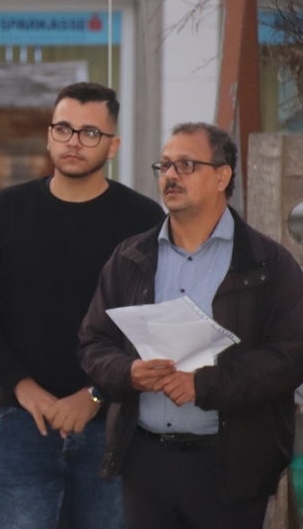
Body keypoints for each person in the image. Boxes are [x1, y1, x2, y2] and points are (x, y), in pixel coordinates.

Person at [0, 82, 164, 529]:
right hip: (21, 424)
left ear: (112, 146)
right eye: (64, 128)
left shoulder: (144, 221)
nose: (74, 141)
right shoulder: (6, 210)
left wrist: (96, 394)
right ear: (49, 135)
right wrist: (23, 387)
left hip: (112, 425)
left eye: (90, 133)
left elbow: (154, 325)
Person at [78, 123, 303, 529]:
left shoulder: (269, 264)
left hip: (231, 466)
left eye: (186, 165)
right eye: (164, 165)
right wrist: (128, 372)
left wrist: (204, 385)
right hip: (144, 462)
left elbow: (290, 356)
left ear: (222, 176)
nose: (170, 175)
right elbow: (93, 343)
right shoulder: (129, 258)